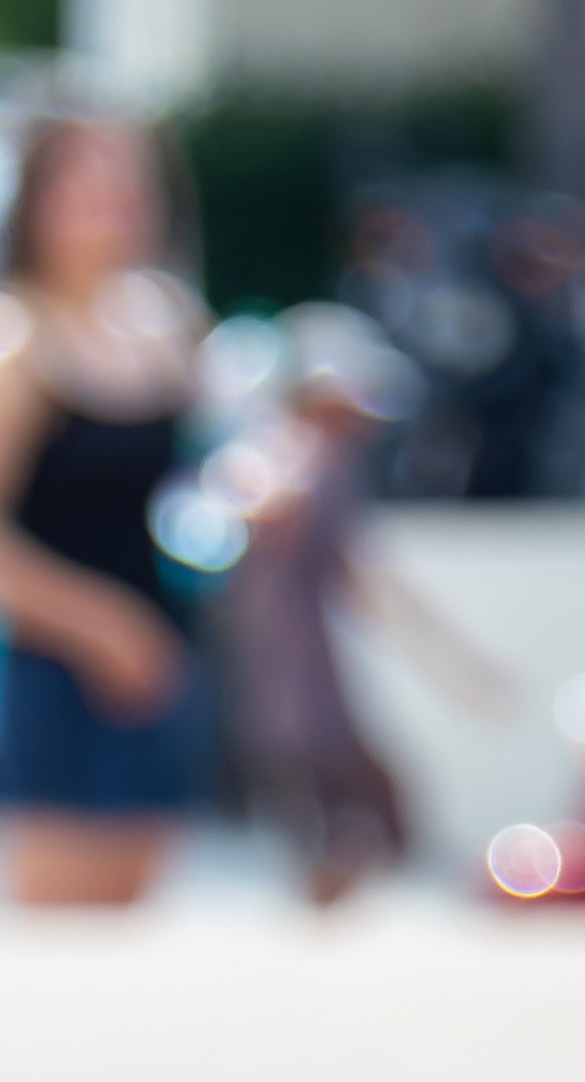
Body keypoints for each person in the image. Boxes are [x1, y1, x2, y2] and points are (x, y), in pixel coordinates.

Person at [0, 113, 210, 908]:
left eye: (127, 183)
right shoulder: (3, 337)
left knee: (136, 951)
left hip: (157, 670)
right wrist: (102, 626)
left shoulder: (165, 321)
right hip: (54, 675)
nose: (112, 203)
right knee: (61, 958)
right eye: (86, 184)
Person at [207, 309, 501, 907]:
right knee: (346, 813)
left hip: (306, 679)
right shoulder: (277, 454)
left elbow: (364, 579)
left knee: (368, 816)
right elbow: (238, 508)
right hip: (285, 682)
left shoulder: (329, 465)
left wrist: (453, 658)